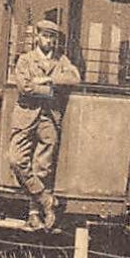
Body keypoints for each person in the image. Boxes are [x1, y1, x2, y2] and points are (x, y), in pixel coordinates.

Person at [7, 19, 82, 230]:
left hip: (48, 118)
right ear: (37, 37)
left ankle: (34, 213)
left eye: (53, 37)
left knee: (43, 166)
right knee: (16, 159)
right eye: (45, 36)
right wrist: (50, 90)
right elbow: (24, 87)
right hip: (25, 117)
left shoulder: (61, 60)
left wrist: (47, 80)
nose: (49, 41)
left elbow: (75, 78)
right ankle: (45, 199)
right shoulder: (25, 60)